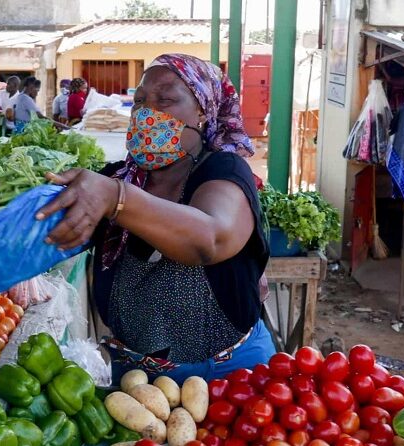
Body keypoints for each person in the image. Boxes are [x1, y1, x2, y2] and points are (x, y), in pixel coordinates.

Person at [37, 54, 272, 384]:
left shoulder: (223, 170)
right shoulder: (119, 177)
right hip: (138, 382)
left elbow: (210, 239)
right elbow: (53, 226)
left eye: (165, 100)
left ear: (202, 111)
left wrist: (118, 198)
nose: (147, 113)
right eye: (140, 101)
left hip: (230, 379)